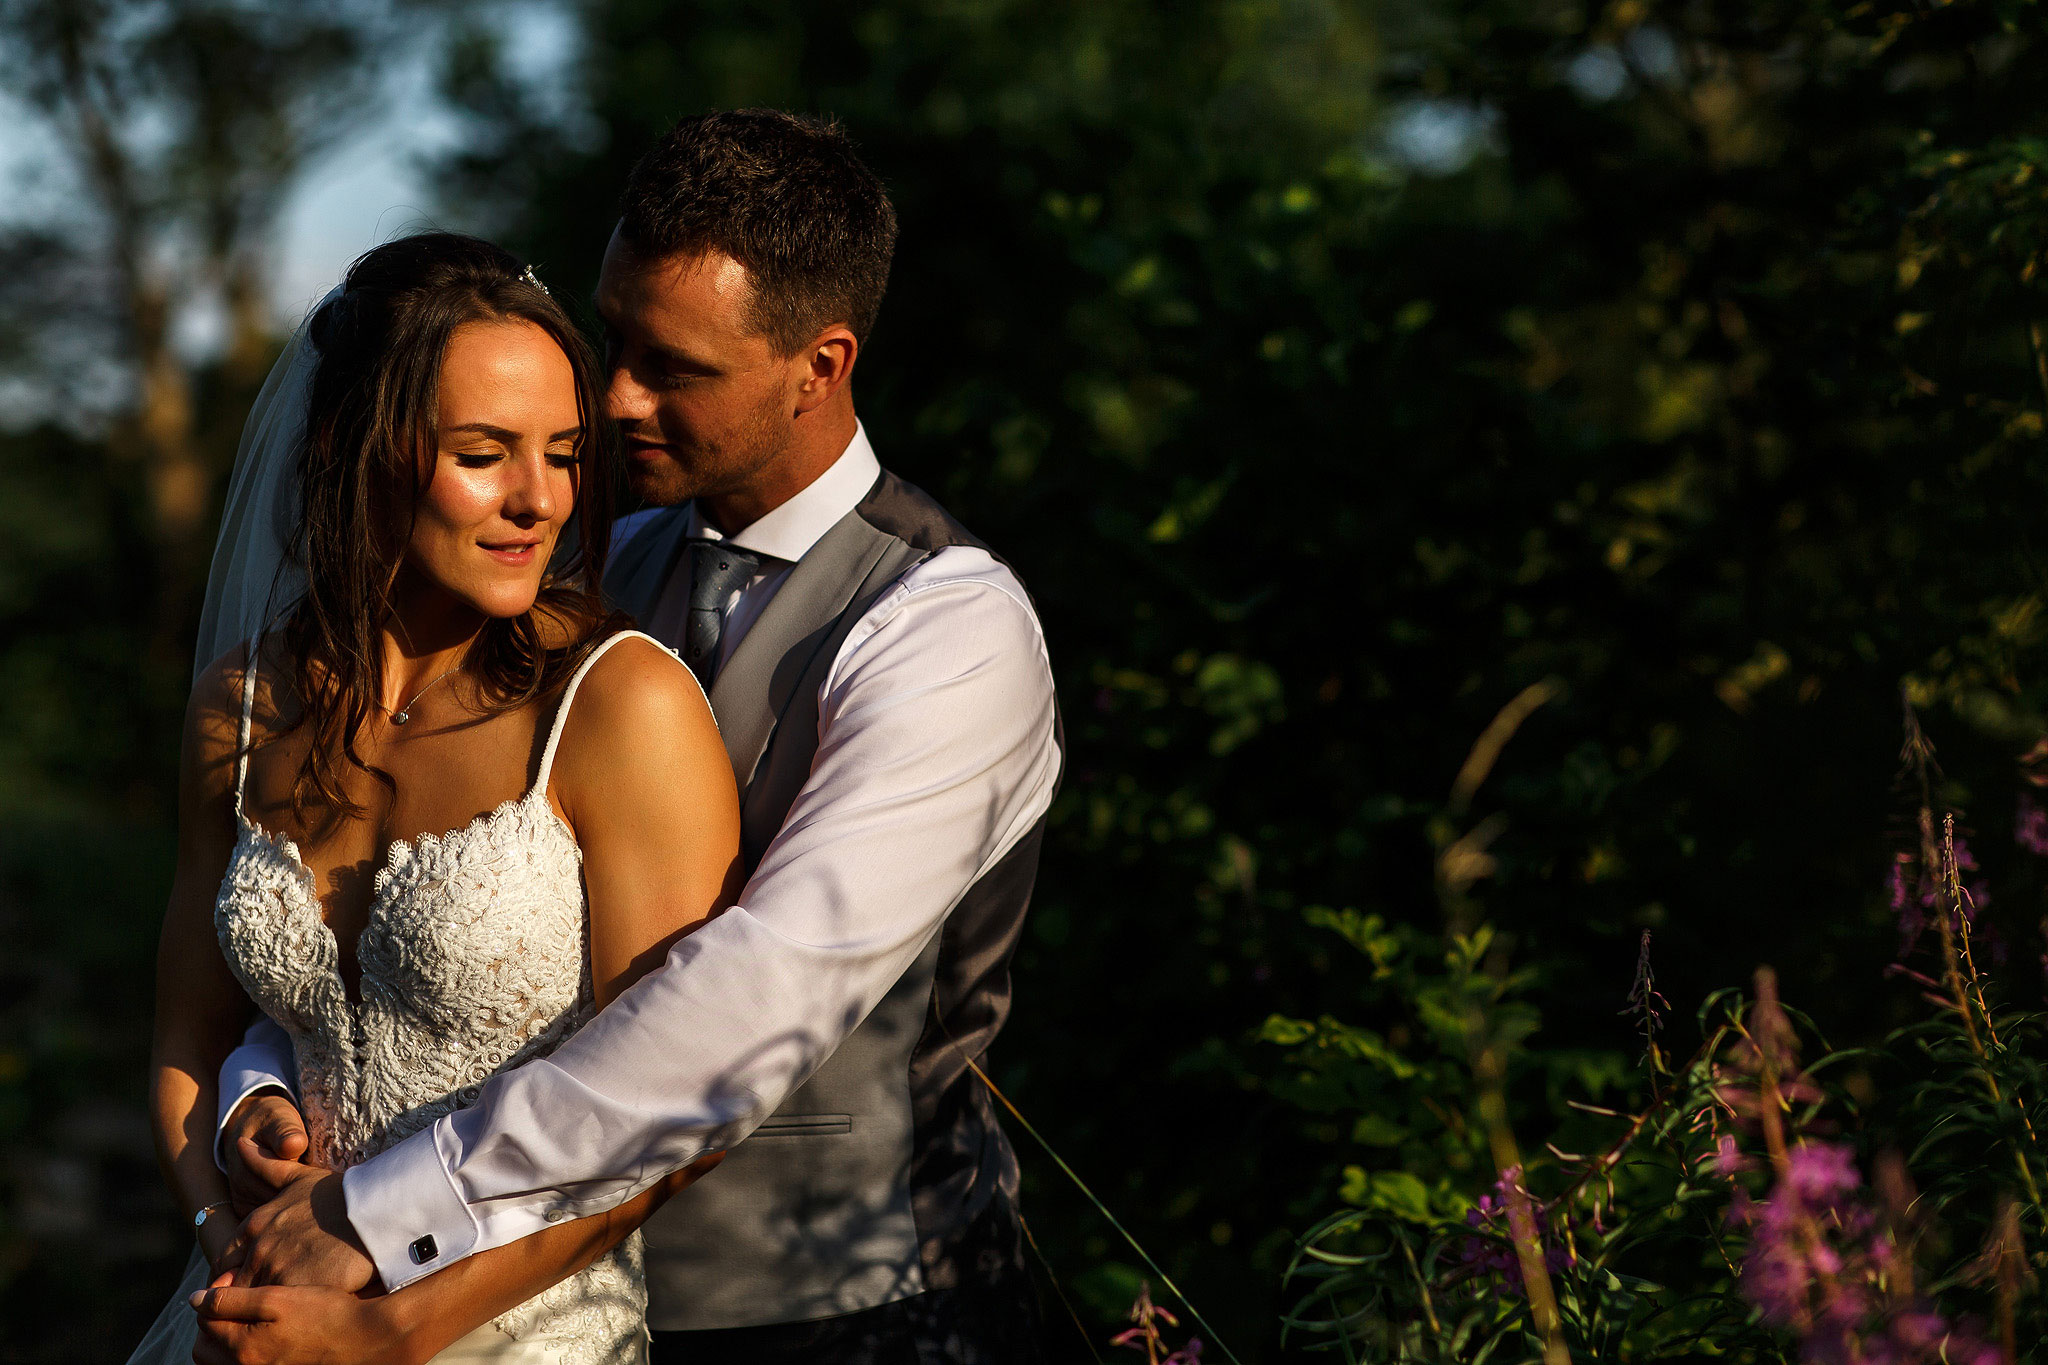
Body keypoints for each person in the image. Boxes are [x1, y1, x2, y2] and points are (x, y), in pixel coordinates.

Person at [200, 110, 1063, 1365]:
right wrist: (261, 1083)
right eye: (611, 339)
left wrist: (379, 1216)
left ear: (819, 366)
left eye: (673, 368)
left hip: (847, 1305)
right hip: (519, 1300)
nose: (612, 400)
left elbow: (756, 991)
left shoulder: (948, 629)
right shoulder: (582, 571)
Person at [130, 232, 742, 1365]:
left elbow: (687, 1111)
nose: (538, 500)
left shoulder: (618, 706)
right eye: (482, 453)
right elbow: (184, 1038)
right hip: (252, 1317)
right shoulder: (245, 703)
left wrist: (401, 1331)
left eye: (562, 454)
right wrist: (228, 1239)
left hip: (515, 1332)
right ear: (356, 452)